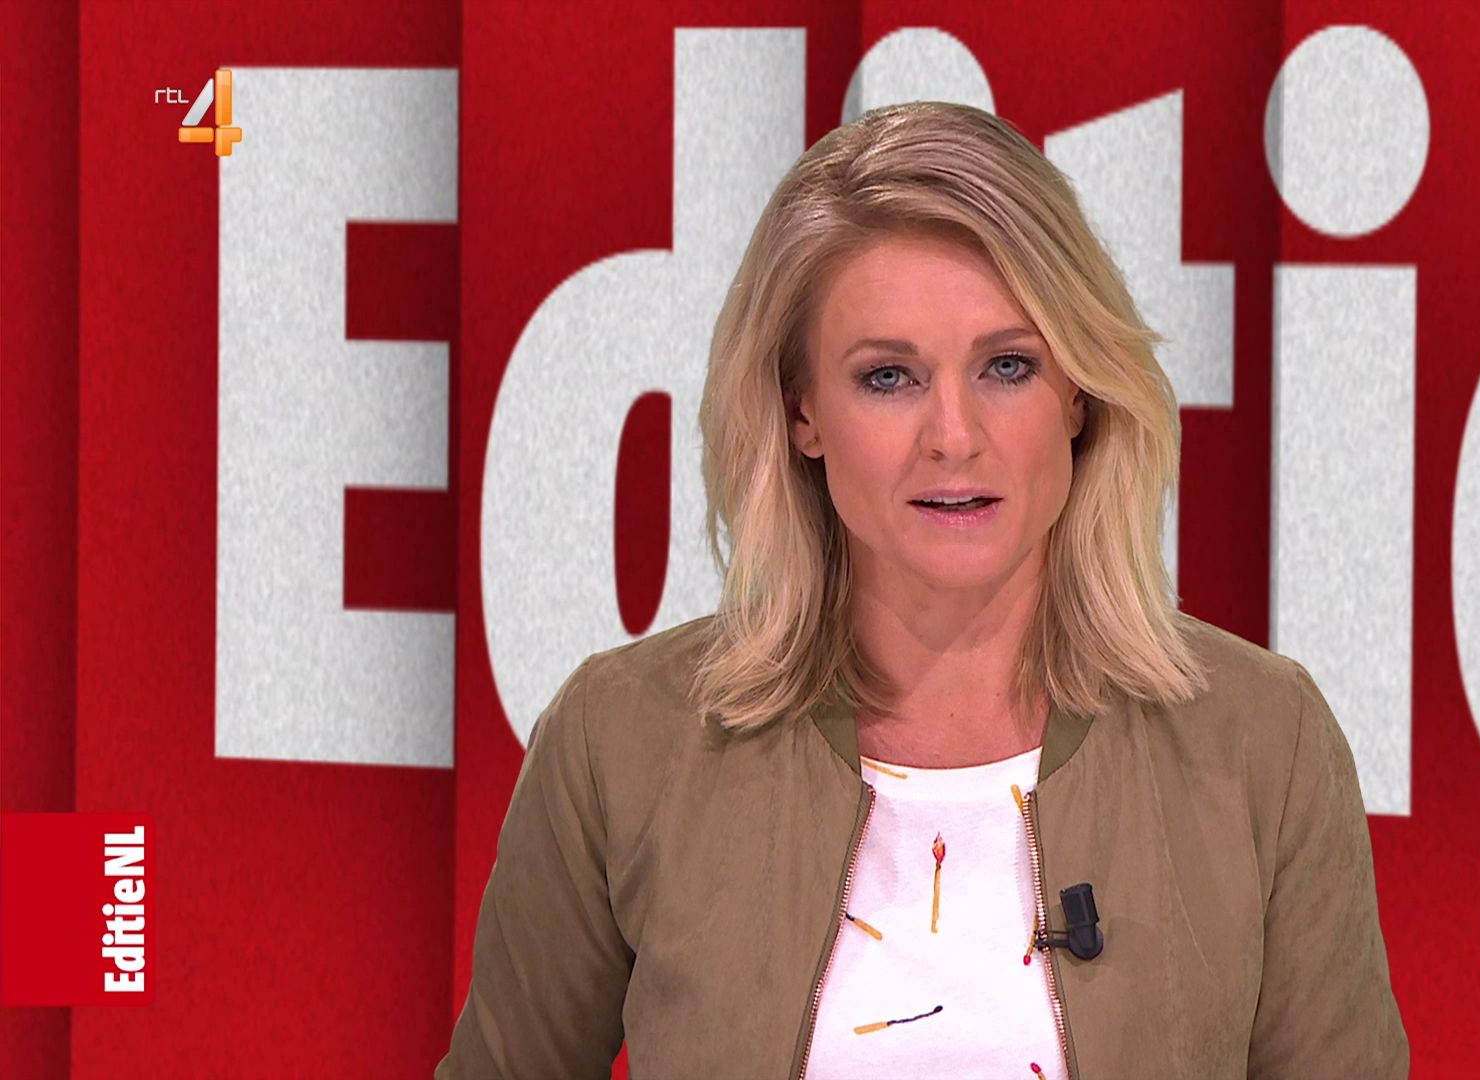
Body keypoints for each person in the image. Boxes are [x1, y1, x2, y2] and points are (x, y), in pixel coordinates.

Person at [436, 100, 1407, 1079]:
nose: (953, 435)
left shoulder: (1262, 743)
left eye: (1008, 366)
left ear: (1079, 393)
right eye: (889, 377)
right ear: (802, 411)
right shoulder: (624, 740)